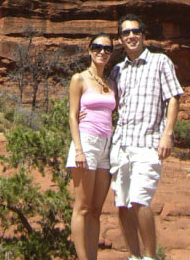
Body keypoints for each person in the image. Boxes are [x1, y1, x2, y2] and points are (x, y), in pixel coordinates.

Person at [109, 14, 182, 260]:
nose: (131, 36)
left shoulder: (161, 62)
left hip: (148, 143)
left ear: (144, 35)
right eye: (125, 33)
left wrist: (167, 134)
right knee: (122, 205)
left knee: (139, 200)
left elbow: (173, 97)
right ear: (120, 39)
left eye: (135, 31)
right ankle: (134, 256)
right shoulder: (117, 70)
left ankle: (150, 257)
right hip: (121, 145)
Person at [67, 33, 117, 260]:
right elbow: (72, 115)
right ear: (89, 50)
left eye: (107, 49)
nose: (102, 52)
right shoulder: (79, 79)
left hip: (107, 146)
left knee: (96, 210)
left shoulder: (110, 83)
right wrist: (78, 149)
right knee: (82, 207)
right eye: (97, 47)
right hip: (86, 143)